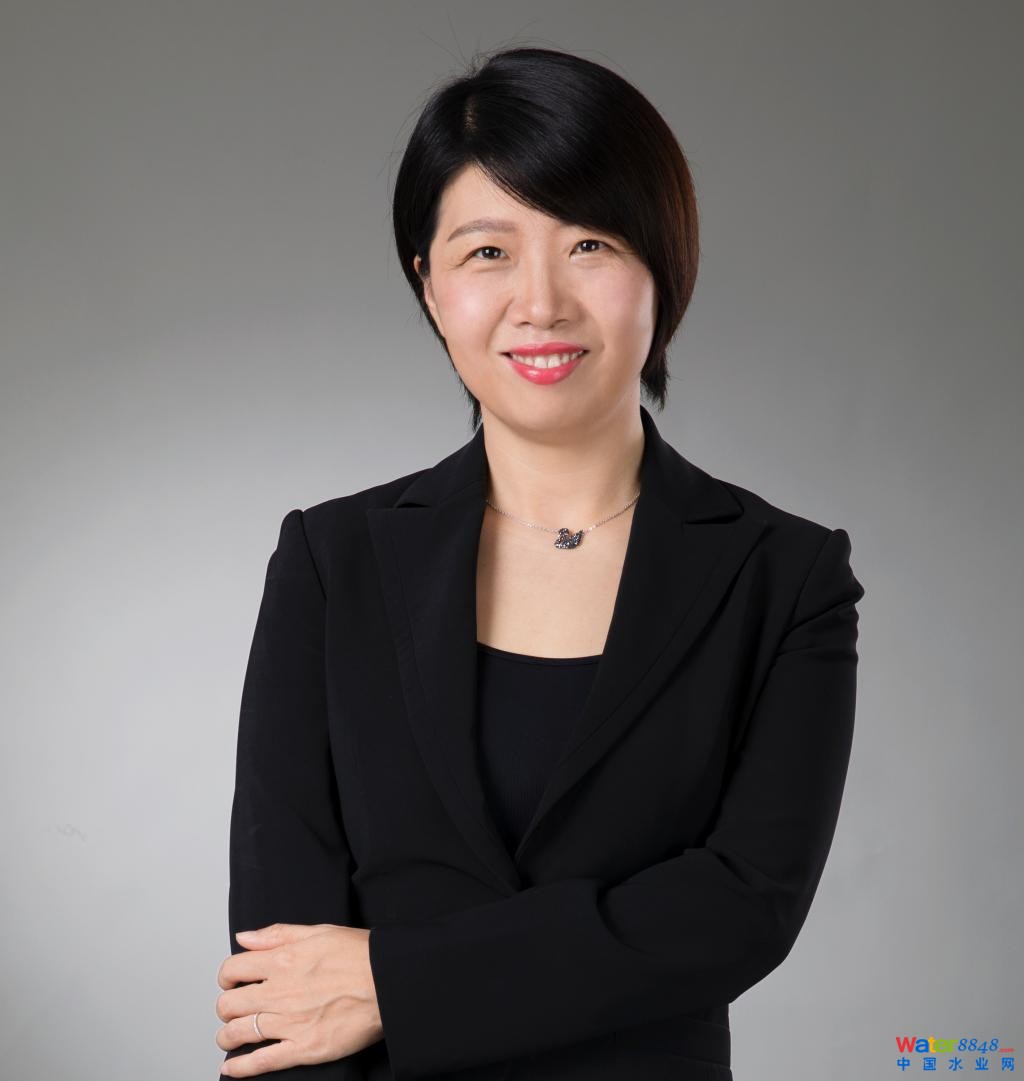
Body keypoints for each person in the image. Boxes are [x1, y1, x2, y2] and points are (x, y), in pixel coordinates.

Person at [214, 45, 865, 1081]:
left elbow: (743, 905)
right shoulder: (332, 563)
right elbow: (278, 972)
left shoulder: (782, 575)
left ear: (663, 270)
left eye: (591, 243)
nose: (542, 302)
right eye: (488, 252)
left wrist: (399, 982)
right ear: (429, 286)